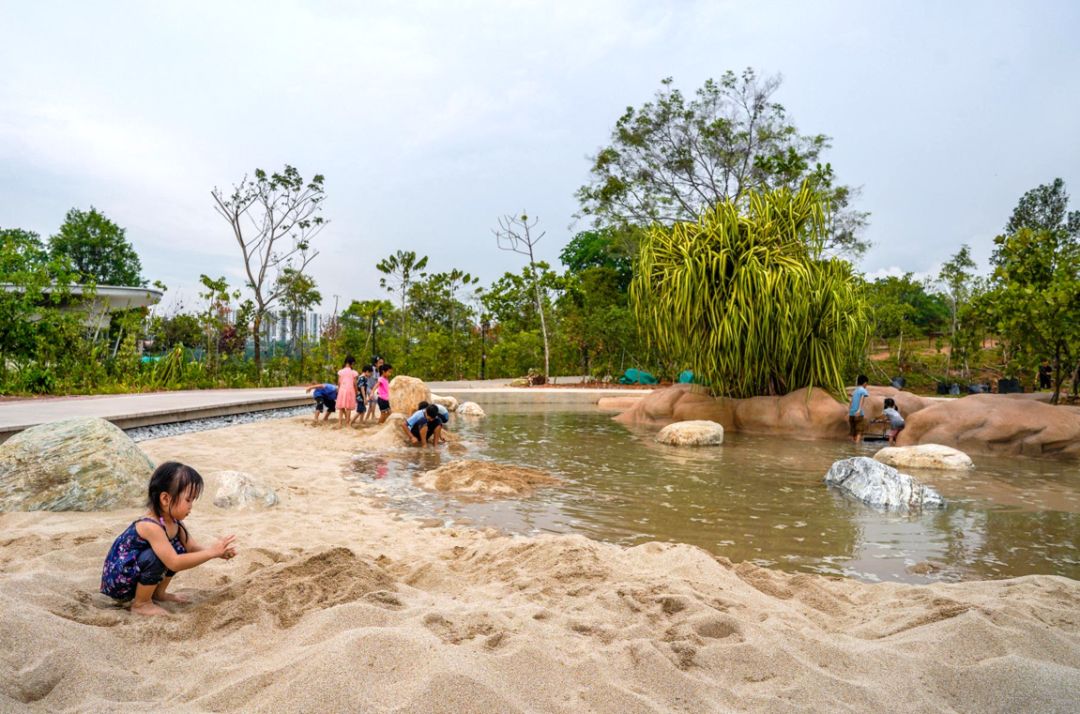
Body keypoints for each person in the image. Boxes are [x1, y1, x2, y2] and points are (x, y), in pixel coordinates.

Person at [100, 462, 236, 616]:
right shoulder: (150, 525)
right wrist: (211, 553)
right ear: (165, 499)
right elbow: (174, 562)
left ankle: (158, 594)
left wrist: (217, 553)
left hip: (136, 574)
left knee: (179, 548)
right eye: (188, 500)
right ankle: (141, 604)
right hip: (119, 581)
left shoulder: (175, 523)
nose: (191, 506)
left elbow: (191, 548)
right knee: (161, 556)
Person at [336, 355, 359, 428]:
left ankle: (339, 423)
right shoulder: (354, 372)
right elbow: (355, 384)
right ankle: (347, 423)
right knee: (348, 408)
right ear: (352, 363)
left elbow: (339, 382)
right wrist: (356, 392)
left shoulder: (340, 371)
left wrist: (339, 390)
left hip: (342, 390)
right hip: (350, 390)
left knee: (341, 407)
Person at [848, 375, 870, 444]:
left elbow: (851, 401)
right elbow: (862, 399)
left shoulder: (855, 391)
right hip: (858, 413)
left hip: (851, 413)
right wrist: (859, 410)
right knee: (859, 432)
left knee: (852, 431)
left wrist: (849, 411)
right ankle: (857, 447)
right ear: (865, 383)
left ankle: (851, 446)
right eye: (866, 384)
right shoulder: (863, 390)